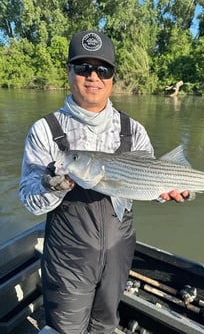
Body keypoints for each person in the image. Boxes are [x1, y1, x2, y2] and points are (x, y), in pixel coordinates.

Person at [20, 30, 190, 334]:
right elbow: (29, 200)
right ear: (69, 71)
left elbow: (148, 185)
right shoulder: (45, 131)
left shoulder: (134, 130)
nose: (93, 76)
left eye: (103, 69)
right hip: (68, 257)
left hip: (119, 251)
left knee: (105, 326)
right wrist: (51, 186)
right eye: (83, 67)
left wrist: (166, 193)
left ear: (112, 77)